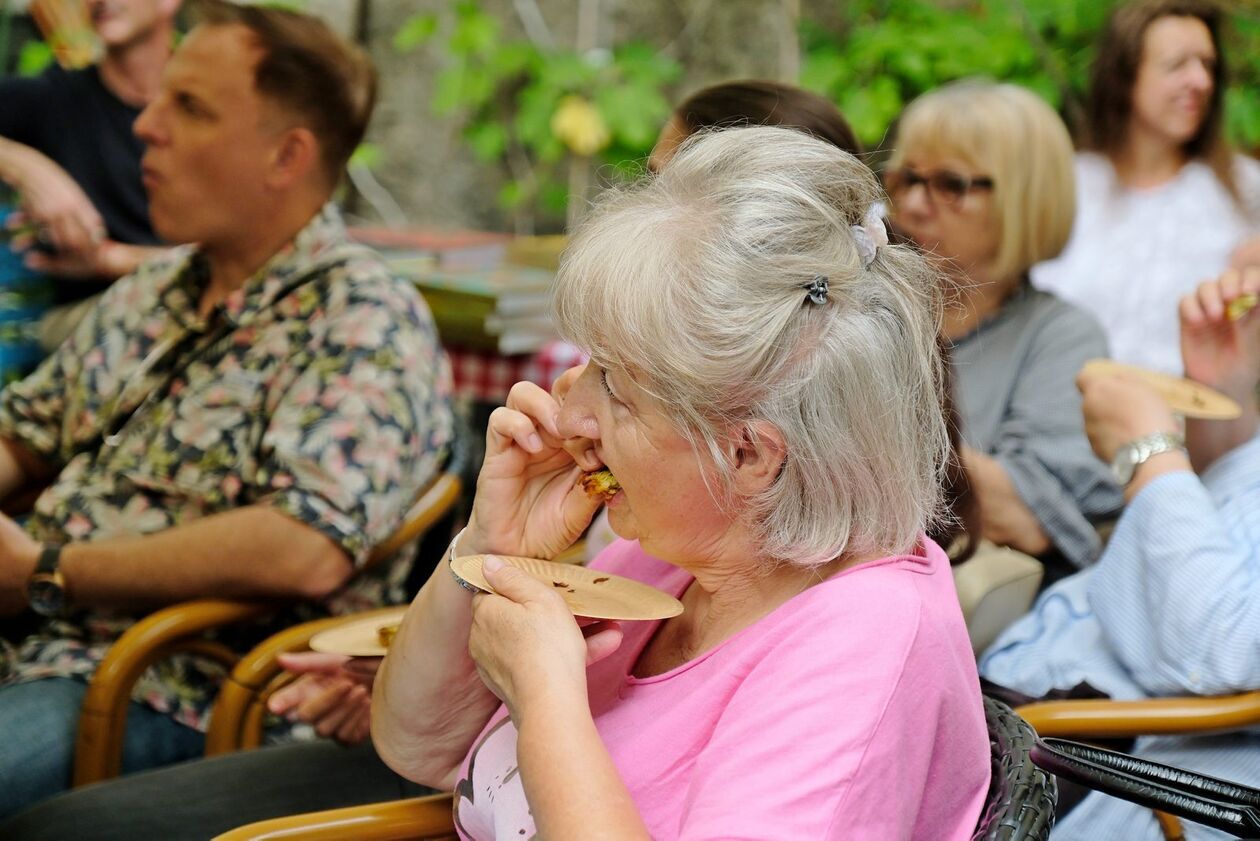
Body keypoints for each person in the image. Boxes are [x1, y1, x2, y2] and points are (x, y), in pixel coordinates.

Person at [371, 125, 989, 839]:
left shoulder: (863, 645)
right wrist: (490, 548)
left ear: (751, 456)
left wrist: (546, 699)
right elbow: (419, 744)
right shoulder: (681, 547)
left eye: (616, 389)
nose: (568, 410)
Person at [0, 0, 453, 820]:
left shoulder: (361, 317)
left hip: (168, 685)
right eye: (160, 98)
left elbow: (304, 544)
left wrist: (46, 572)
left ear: (286, 155)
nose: (146, 127)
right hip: (35, 639)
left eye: (190, 108)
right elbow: (25, 435)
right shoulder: (154, 287)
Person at [979, 267, 1260, 841]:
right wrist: (1222, 386)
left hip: (1097, 768)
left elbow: (1222, 649)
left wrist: (1149, 451)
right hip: (1035, 704)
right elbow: (1227, 516)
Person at [886, 79, 1123, 576]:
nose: (911, 204)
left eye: (950, 185)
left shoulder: (1061, 336)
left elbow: (1030, 517)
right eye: (906, 177)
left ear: (1024, 199)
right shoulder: (875, 302)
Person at [1031, 0, 1260, 376]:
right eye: (1177, 65)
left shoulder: (1244, 189)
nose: (1201, 81)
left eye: (1207, 65)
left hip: (1195, 422)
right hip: (1062, 412)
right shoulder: (1068, 183)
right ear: (1124, 75)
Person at [0, 0, 181, 350]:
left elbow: (240, 256)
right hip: (98, 322)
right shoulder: (56, 99)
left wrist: (110, 259)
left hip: (191, 307)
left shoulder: (211, 107)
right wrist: (27, 167)